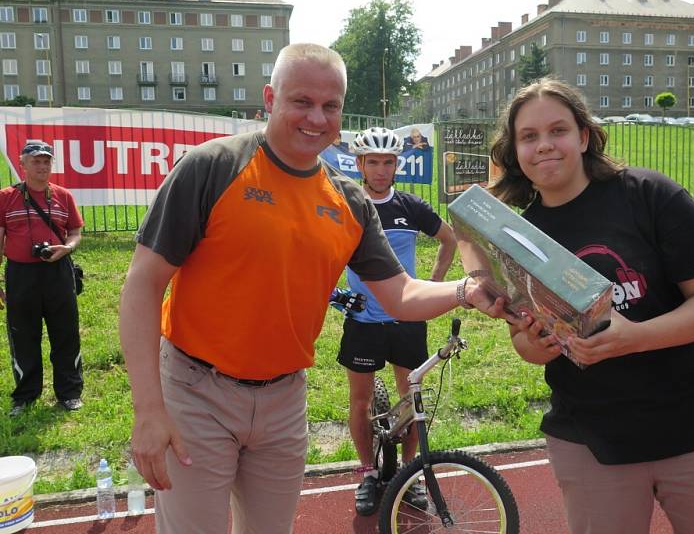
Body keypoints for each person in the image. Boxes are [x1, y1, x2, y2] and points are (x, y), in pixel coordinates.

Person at [118, 43, 502, 534]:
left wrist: (466, 290)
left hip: (282, 401)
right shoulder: (213, 167)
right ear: (270, 98)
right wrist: (149, 409)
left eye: (331, 105)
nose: (316, 118)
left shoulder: (349, 201)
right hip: (197, 391)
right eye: (301, 101)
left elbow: (400, 295)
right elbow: (142, 285)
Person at [490, 77, 694, 534]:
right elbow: (523, 344)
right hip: (592, 443)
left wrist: (634, 338)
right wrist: (537, 341)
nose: (545, 146)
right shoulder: (521, 237)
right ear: (514, 152)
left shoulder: (651, 196)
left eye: (558, 130)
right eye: (529, 137)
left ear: (584, 136)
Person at [341, 127, 456, 515]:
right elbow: (315, 253)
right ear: (359, 164)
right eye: (372, 162)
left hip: (407, 318)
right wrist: (334, 295)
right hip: (363, 321)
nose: (380, 170)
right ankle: (368, 472)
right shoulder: (346, 205)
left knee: (411, 399)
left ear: (397, 165)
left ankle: (410, 474)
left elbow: (449, 240)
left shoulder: (409, 206)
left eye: (388, 162)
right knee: (359, 401)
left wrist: (431, 287)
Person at [0, 140, 83, 417]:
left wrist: (67, 249)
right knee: (23, 334)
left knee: (66, 333)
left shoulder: (64, 196)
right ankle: (25, 396)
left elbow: (75, 232)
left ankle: (69, 393)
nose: (42, 165)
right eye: (36, 160)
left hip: (58, 272)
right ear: (22, 164)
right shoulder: (5, 197)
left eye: (47, 160)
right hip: (20, 274)